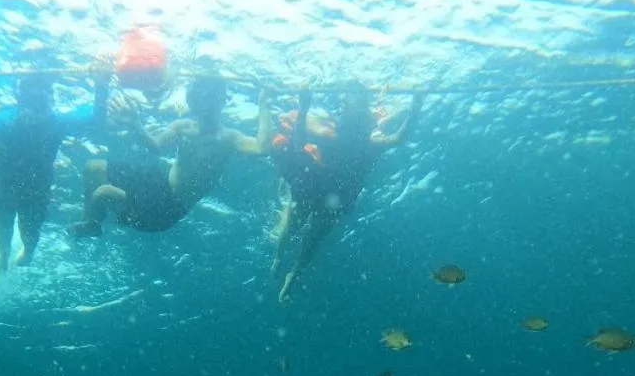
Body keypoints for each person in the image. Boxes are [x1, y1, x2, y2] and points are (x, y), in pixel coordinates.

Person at [67, 76, 272, 237]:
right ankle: (92, 222)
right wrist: (135, 124)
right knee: (93, 167)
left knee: (102, 193)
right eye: (197, 95)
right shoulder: (183, 127)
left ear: (220, 101)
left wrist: (264, 105)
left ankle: (97, 222)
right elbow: (155, 146)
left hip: (169, 208)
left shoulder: (229, 138)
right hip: (158, 185)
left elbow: (261, 148)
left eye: (207, 96)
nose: (201, 101)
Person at [270, 85, 419, 302]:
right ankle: (281, 259)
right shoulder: (348, 138)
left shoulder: (363, 140)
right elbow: (400, 138)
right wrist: (416, 107)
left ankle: (289, 268)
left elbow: (399, 138)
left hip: (330, 193)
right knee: (306, 232)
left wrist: (304, 107)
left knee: (307, 233)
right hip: (327, 191)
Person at [0, 71, 110, 273]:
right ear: (19, 101)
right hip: (3, 188)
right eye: (28, 102)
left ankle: (27, 250)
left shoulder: (56, 121)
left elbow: (96, 120)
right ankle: (4, 256)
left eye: (39, 103)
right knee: (3, 225)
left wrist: (102, 84)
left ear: (49, 101)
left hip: (34, 191)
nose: (33, 112)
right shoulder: (7, 118)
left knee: (30, 233)